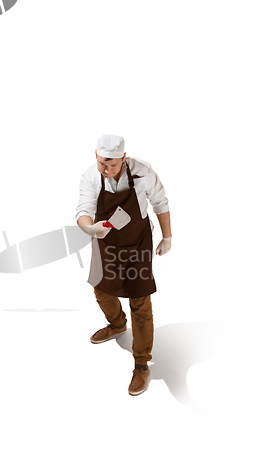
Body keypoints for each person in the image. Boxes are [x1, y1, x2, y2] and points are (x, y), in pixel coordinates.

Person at [75, 134, 172, 395]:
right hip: (105, 242)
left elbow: (160, 202)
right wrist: (90, 228)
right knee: (101, 288)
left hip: (138, 241)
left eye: (112, 165)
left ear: (124, 158)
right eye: (101, 163)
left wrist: (167, 236)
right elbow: (83, 209)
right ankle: (117, 324)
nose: (106, 170)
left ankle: (141, 363)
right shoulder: (90, 177)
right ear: (95, 156)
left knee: (139, 299)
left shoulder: (143, 171)